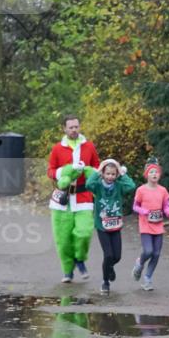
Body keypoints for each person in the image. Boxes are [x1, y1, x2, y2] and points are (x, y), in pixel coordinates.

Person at [48, 115, 100, 283]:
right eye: (70, 127)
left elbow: (97, 166)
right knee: (63, 240)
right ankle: (68, 271)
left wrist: (90, 171)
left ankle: (80, 259)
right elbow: (51, 171)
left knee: (84, 232)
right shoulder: (57, 149)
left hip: (83, 197)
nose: (74, 130)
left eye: (76, 126)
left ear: (79, 127)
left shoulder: (89, 146)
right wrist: (64, 172)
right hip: (62, 199)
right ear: (64, 129)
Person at [82, 159, 137, 295]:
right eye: (107, 174)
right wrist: (98, 171)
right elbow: (88, 184)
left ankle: (110, 266)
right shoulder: (97, 186)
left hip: (115, 225)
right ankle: (105, 282)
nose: (110, 177)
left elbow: (131, 186)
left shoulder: (119, 186)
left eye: (113, 174)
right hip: (102, 226)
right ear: (103, 174)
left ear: (116, 174)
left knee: (117, 256)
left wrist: (122, 173)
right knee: (108, 255)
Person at [132, 159, 169, 291]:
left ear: (159, 175)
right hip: (145, 225)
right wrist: (143, 211)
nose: (154, 174)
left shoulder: (163, 190)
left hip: (158, 225)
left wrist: (167, 210)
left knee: (156, 254)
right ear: (146, 175)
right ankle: (140, 263)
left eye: (156, 172)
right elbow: (135, 206)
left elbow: (166, 204)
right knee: (148, 251)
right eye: (151, 172)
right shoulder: (141, 190)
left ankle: (147, 279)